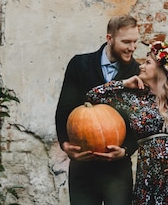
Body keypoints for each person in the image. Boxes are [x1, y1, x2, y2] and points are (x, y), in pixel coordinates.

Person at [86, 41, 168, 205]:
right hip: (153, 180)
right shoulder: (132, 101)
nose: (141, 66)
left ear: (161, 70)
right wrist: (124, 83)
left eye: (147, 62)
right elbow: (93, 95)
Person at [55, 15, 141, 205]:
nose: (132, 48)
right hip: (83, 167)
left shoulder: (137, 72)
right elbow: (64, 109)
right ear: (109, 39)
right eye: (126, 42)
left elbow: (140, 121)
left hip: (118, 171)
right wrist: (65, 145)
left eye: (135, 42)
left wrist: (126, 150)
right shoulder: (79, 65)